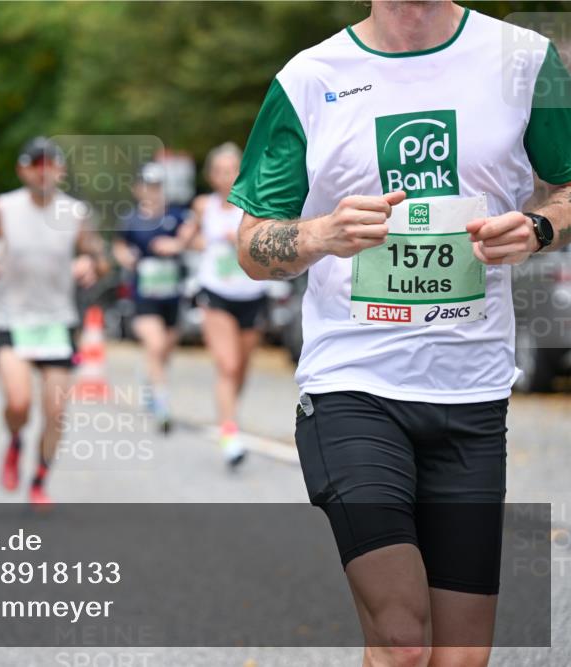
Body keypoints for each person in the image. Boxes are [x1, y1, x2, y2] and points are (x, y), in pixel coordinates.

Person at [231, 2, 571, 665]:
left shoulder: (525, 59)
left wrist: (538, 228)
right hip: (352, 386)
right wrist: (321, 233)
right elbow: (250, 245)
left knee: (462, 657)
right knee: (403, 639)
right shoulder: (309, 78)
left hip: (471, 394)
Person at [0, 137, 107, 508]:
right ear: (22, 170)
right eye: (35, 165)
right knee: (19, 403)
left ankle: (39, 479)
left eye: (50, 164)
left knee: (56, 413)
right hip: (11, 319)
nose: (42, 172)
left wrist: (91, 264)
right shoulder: (4, 207)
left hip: (57, 322)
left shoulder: (75, 212)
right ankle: (15, 441)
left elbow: (99, 256)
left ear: (60, 170)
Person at [188, 143, 268, 467]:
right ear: (210, 176)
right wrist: (197, 241)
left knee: (242, 370)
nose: (226, 177)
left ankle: (228, 416)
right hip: (215, 292)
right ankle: (230, 433)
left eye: (232, 169)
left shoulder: (256, 204)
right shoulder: (202, 206)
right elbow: (187, 237)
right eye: (220, 171)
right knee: (228, 365)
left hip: (252, 295)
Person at [112, 162, 187, 434]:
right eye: (147, 186)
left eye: (156, 186)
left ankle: (149, 378)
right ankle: (162, 405)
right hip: (144, 293)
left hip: (172, 294)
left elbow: (194, 238)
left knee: (165, 349)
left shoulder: (176, 216)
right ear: (138, 189)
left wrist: (176, 244)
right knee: (155, 345)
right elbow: (119, 245)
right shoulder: (131, 219)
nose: (152, 192)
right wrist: (125, 257)